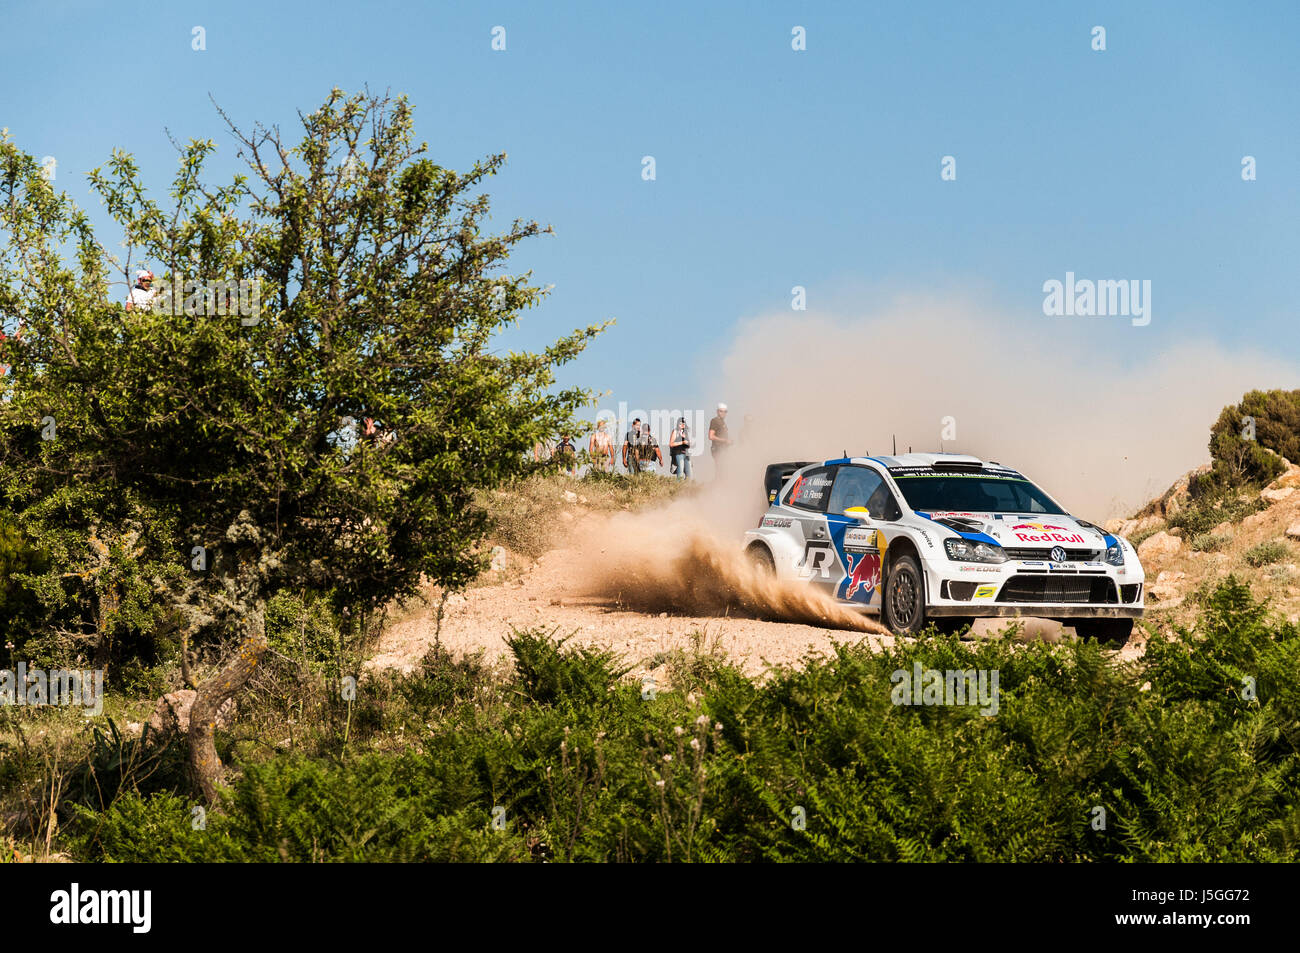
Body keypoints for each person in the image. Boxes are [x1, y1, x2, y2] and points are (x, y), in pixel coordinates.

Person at [708, 402, 733, 469]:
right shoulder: (715, 420)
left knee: (723, 469)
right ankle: (719, 480)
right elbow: (711, 436)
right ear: (717, 411)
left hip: (722, 449)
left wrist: (729, 441)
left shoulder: (722, 422)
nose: (723, 413)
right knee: (721, 469)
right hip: (717, 449)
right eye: (721, 411)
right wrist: (724, 440)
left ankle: (720, 479)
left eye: (725, 411)